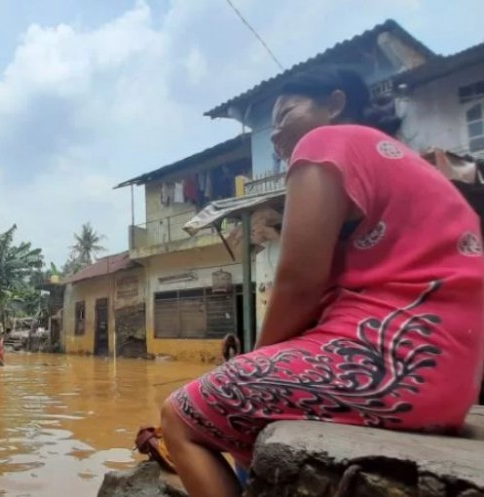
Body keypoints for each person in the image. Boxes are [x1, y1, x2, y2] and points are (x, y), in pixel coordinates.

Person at [161, 68, 484, 497]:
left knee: (178, 417)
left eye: (285, 115)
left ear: (334, 103)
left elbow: (300, 282)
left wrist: (254, 359)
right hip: (450, 384)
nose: (277, 135)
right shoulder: (398, 160)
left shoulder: (324, 142)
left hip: (390, 369)